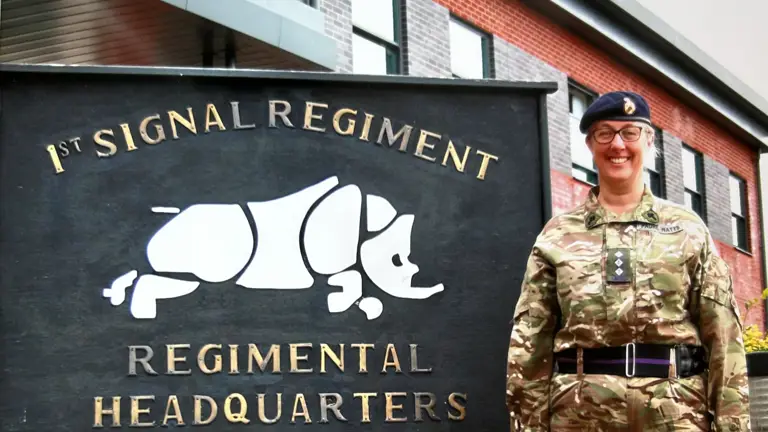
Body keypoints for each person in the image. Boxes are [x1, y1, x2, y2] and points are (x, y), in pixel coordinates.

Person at [506, 91, 751, 431]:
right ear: (590, 146)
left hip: (675, 414)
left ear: (649, 142)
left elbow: (723, 338)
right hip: (579, 416)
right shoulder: (558, 235)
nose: (617, 145)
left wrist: (732, 426)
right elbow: (530, 341)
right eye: (604, 133)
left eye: (630, 133)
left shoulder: (687, 230)